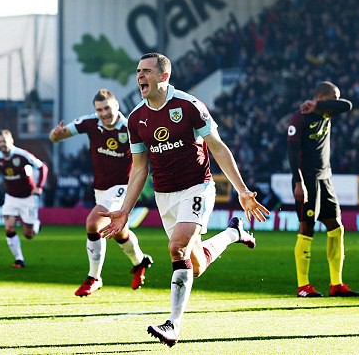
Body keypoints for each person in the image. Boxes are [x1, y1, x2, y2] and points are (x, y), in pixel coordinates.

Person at [99, 53, 270, 347]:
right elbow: (140, 167)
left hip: (197, 188)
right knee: (196, 263)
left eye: (147, 71)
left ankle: (173, 325)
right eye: (138, 71)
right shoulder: (136, 118)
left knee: (176, 246)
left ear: (163, 77)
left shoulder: (189, 106)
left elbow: (217, 146)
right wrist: (124, 210)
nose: (140, 76)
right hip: (165, 195)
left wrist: (241, 190)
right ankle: (233, 233)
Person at [49, 88, 153, 297]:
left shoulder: (130, 127)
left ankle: (94, 277)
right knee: (118, 234)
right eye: (99, 110)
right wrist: (55, 135)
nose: (104, 113)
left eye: (107, 108)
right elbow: (56, 137)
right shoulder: (89, 123)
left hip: (123, 187)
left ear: (116, 106)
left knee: (93, 223)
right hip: (101, 189)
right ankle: (140, 261)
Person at [287, 81, 359, 298]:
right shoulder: (300, 117)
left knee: (336, 227)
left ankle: (336, 284)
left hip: (325, 179)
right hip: (307, 180)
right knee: (306, 228)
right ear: (322, 96)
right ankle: (303, 286)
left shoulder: (325, 112)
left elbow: (347, 106)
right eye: (333, 97)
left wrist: (319, 107)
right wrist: (297, 182)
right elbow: (292, 153)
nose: (336, 102)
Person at [0, 129, 47, 268]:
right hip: (11, 197)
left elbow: (43, 167)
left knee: (28, 234)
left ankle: (36, 225)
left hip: (28, 197)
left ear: (11, 141)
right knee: (9, 227)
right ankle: (19, 259)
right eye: (0, 142)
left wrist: (39, 186)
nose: (2, 144)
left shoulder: (22, 155)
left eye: (4, 141)